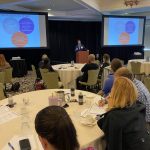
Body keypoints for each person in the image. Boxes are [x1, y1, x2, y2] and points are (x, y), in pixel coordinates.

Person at [97, 77, 150, 150]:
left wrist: (110, 110)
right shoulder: (138, 107)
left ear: (115, 94)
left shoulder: (114, 117)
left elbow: (112, 145)